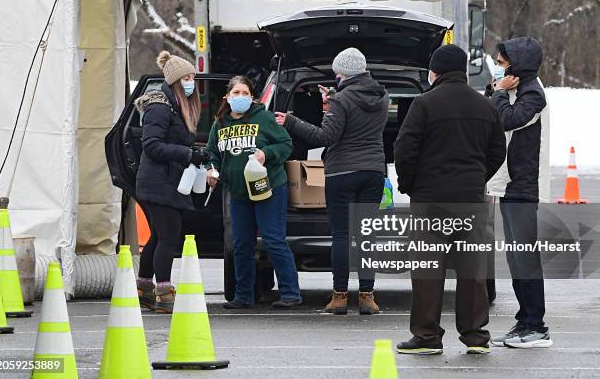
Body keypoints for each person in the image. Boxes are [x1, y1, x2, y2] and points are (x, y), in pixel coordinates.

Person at [393, 44, 506, 354]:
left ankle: (427, 337)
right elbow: (498, 151)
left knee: (429, 269)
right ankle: (475, 336)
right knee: (472, 270)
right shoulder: (486, 107)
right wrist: (476, 178)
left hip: (430, 200)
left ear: (435, 71)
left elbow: (404, 149)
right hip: (470, 200)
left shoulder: (424, 104)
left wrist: (410, 185)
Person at [276, 47, 389, 315]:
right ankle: (367, 297)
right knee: (366, 236)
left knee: (341, 235)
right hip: (373, 171)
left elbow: (325, 137)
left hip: (342, 172)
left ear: (343, 73)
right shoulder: (383, 96)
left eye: (337, 73)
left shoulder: (342, 100)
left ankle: (339, 297)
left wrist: (291, 121)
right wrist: (335, 102)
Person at [206, 76, 302, 309]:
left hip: (268, 188)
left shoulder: (264, 118)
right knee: (241, 244)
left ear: (252, 97)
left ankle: (290, 293)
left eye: (245, 93)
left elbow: (285, 144)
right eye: (236, 93)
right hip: (238, 192)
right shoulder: (220, 123)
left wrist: (265, 154)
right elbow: (213, 153)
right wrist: (212, 169)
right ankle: (244, 295)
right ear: (227, 98)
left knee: (273, 239)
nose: (240, 98)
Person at [486, 37, 552, 348]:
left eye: (501, 63)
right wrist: (495, 92)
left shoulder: (532, 94)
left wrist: (498, 93)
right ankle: (524, 320)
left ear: (517, 65)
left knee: (526, 258)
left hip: (523, 187)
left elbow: (508, 119)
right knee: (515, 258)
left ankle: (536, 325)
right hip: (510, 186)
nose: (498, 68)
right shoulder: (515, 90)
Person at [135, 51, 210, 313]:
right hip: (157, 182)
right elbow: (152, 145)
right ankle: (163, 293)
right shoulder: (160, 106)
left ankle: (143, 289)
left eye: (192, 77)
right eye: (186, 78)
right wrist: (189, 154)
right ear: (175, 81)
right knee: (169, 235)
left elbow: (176, 140)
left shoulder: (176, 106)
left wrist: (198, 149)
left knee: (159, 235)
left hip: (164, 181)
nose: (191, 83)